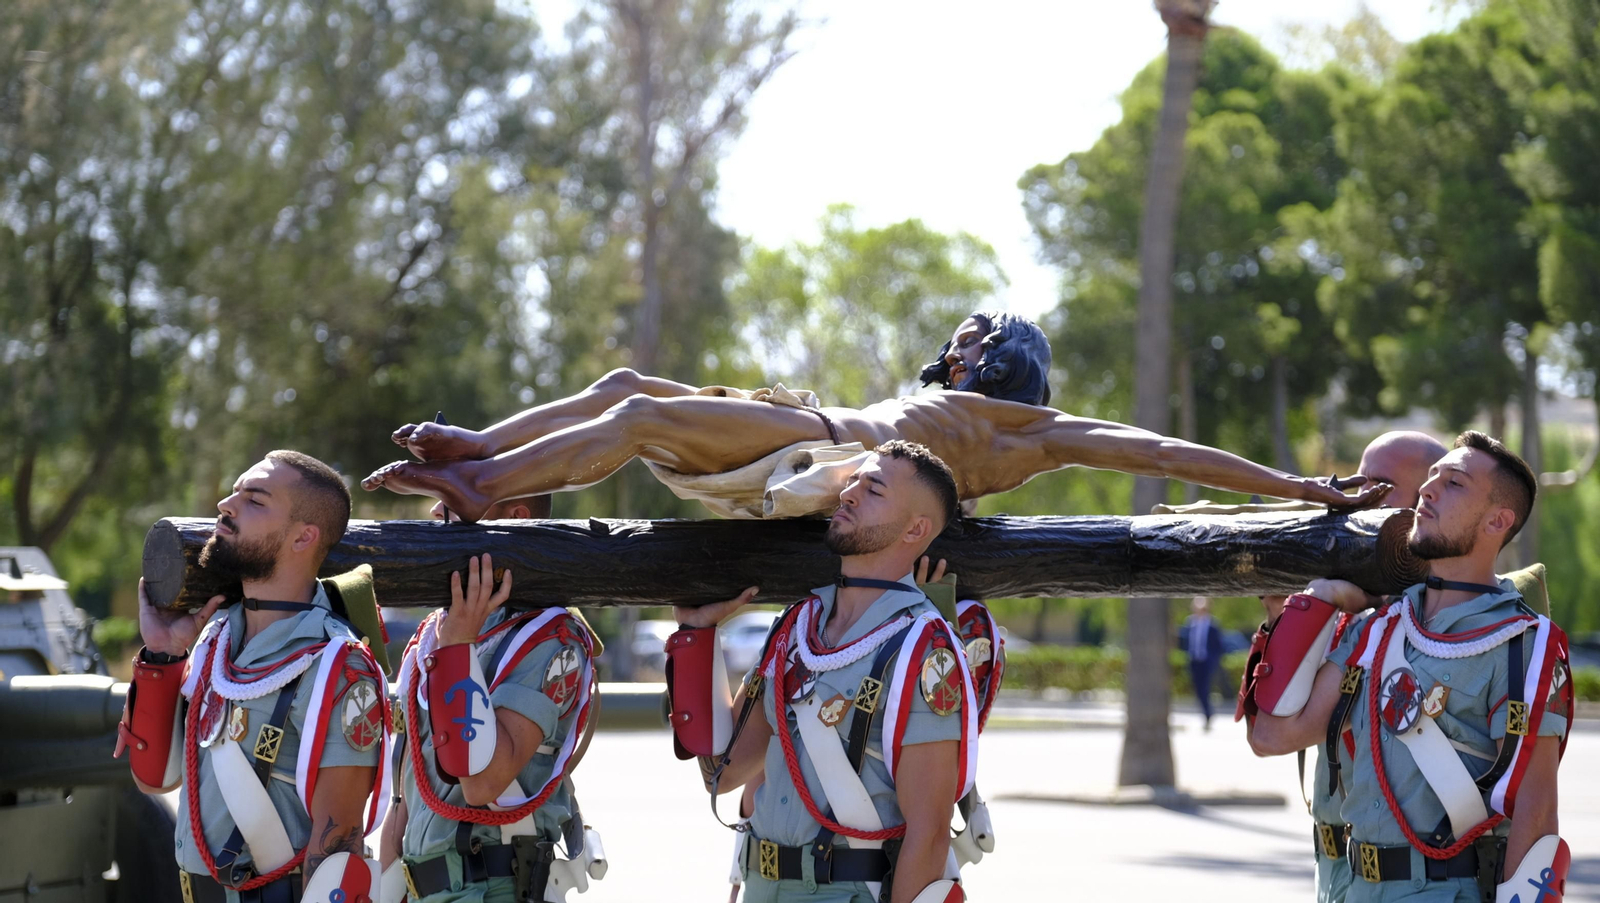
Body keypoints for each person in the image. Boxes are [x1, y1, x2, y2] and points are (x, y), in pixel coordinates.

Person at [361, 312, 1391, 521]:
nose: (951, 346)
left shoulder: (1027, 429)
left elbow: (1163, 451)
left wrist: (1295, 486)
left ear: (998, 353)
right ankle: (480, 447)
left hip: (826, 458)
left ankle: (479, 485)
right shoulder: (969, 407)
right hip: (812, 445)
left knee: (632, 419)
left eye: (966, 335)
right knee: (629, 384)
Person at [1241, 432, 1573, 903]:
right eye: (1430, 480)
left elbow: (1535, 814)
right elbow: (1272, 736)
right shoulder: (1378, 628)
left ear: (1499, 520)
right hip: (1349, 889)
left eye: (1454, 483)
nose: (1428, 491)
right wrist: (1318, 600)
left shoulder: (1524, 643)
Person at [667, 441, 978, 903]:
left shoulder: (924, 649)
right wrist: (697, 640)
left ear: (916, 528)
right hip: (759, 887)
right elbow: (723, 774)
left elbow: (929, 835)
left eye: (873, 489)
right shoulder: (795, 628)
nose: (848, 494)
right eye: (852, 482)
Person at [115, 451, 390, 902]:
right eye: (234, 491)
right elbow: (154, 780)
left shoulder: (337, 666)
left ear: (303, 537)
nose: (226, 504)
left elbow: (338, 847)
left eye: (254, 500)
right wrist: (164, 654)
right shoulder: (214, 640)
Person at [1249, 430, 1448, 903]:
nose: (1356, 502)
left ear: (1428, 501)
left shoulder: (1426, 622)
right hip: (1339, 873)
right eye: (1358, 484)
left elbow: (1275, 736)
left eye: (1378, 487)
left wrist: (1323, 600)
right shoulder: (1353, 614)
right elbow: (1267, 720)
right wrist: (1287, 615)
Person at [380, 528, 606, 903]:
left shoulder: (551, 638)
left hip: (496, 887)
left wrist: (457, 649)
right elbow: (406, 797)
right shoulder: (438, 633)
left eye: (455, 502)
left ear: (513, 516)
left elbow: (483, 784)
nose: (437, 514)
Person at [1181, 597, 1226, 731]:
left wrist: (1214, 660)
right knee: (1198, 689)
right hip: (1194, 661)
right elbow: (1184, 641)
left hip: (1207, 661)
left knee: (1205, 688)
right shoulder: (1189, 623)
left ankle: (1207, 715)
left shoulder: (1213, 624)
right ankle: (1207, 712)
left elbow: (1218, 646)